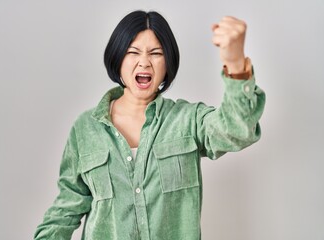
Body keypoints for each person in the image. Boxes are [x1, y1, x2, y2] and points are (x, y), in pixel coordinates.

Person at [34, 10, 265, 240]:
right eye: (132, 52)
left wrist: (236, 65)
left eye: (155, 53)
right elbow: (66, 210)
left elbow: (236, 130)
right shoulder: (86, 128)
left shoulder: (188, 120)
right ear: (117, 58)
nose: (144, 62)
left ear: (168, 63)